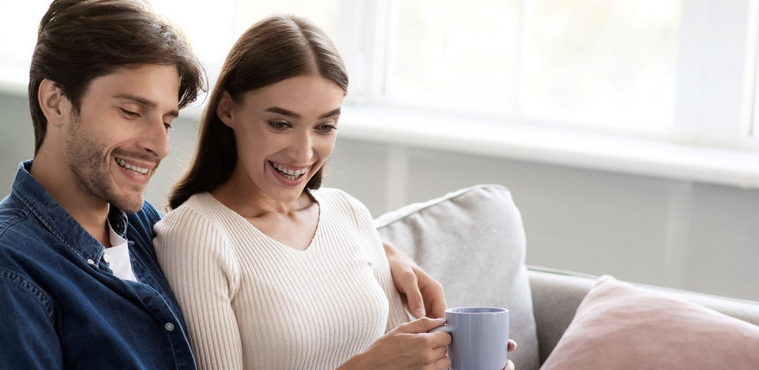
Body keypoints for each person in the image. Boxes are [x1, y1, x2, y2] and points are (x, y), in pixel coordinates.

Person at [0, 0, 447, 368]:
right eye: (132, 111)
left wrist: (380, 254)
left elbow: (257, 251)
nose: (158, 144)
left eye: (168, 120)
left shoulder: (138, 227)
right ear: (55, 101)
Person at [154, 15, 515, 370]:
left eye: (325, 126)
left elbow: (402, 358)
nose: (303, 153)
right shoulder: (196, 235)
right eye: (280, 124)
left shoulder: (347, 212)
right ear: (228, 109)